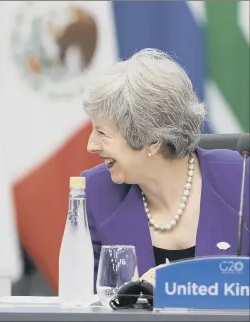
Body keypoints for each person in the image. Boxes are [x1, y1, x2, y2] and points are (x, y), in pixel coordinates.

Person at [80, 48, 249, 287]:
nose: (91, 145)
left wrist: (182, 284)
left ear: (152, 141)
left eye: (102, 133)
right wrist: (134, 296)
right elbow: (84, 300)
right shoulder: (95, 193)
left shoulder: (243, 180)